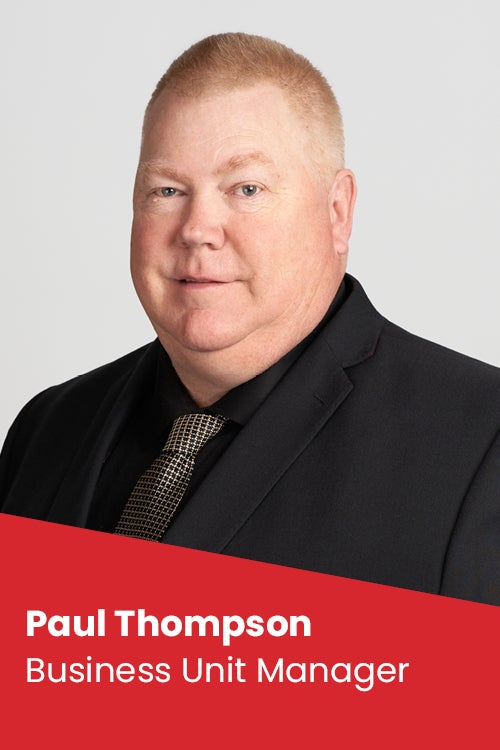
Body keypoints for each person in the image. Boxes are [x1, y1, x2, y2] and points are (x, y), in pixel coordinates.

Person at [1, 33, 499, 605]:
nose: (197, 229)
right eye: (167, 190)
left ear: (338, 211)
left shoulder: (481, 445)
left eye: (246, 188)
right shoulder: (47, 428)